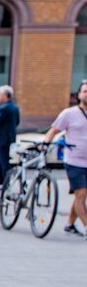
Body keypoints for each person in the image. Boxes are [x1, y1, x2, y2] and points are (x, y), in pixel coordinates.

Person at [45, 80, 87, 236]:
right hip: (74, 161)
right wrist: (45, 144)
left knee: (80, 196)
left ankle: (69, 224)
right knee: (81, 194)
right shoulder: (69, 113)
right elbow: (53, 131)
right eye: (85, 91)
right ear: (79, 95)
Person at [0, 84, 20, 188]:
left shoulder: (4, 108)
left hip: (2, 139)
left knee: (3, 161)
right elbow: (17, 122)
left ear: (4, 95)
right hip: (8, 138)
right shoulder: (14, 107)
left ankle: (5, 183)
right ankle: (0, 181)